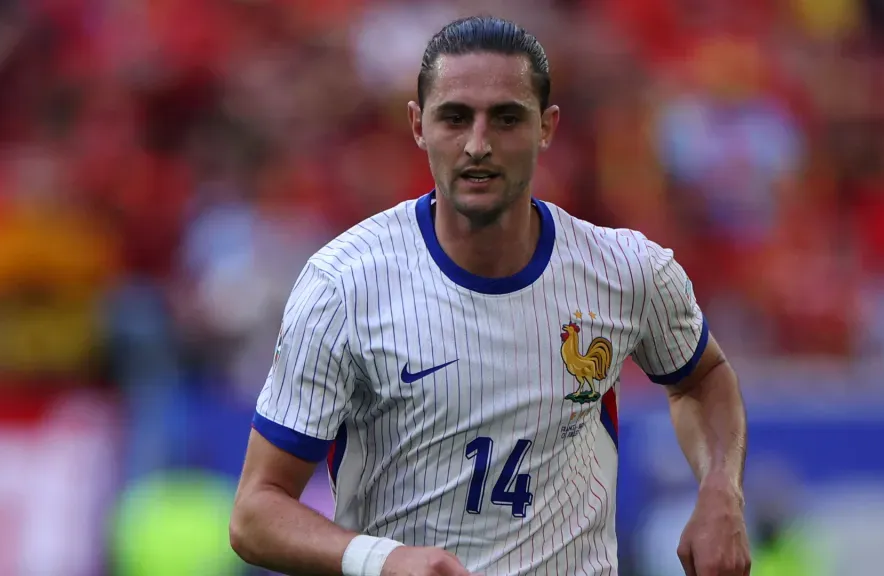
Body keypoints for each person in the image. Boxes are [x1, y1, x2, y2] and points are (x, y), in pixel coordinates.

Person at [229, 15, 751, 576]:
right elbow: (255, 513)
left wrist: (721, 489)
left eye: (506, 119)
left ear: (547, 127)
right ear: (417, 125)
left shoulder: (627, 271)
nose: (478, 145)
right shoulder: (344, 286)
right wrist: (383, 560)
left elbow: (701, 379)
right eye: (455, 118)